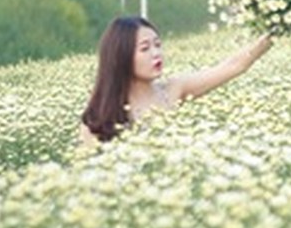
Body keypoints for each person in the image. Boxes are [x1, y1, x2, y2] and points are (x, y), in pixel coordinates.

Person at [79, 16, 272, 143]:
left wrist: (276, 30)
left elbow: (233, 66)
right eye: (145, 48)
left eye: (158, 45)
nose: (156, 54)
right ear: (121, 56)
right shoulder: (100, 114)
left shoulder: (173, 89)